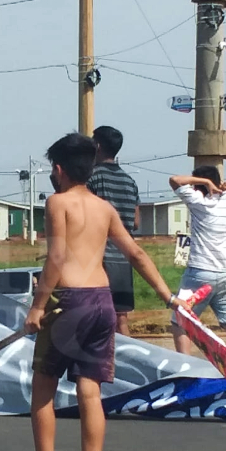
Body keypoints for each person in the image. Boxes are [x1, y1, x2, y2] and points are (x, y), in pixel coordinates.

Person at [19, 133, 189, 451]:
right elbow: (137, 255)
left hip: (68, 301)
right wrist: (168, 297)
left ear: (58, 169)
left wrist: (37, 306)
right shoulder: (104, 208)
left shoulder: (57, 202)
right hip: (101, 300)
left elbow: (57, 258)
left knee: (43, 386)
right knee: (90, 390)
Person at [168, 167, 226, 358]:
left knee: (180, 321)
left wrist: (205, 183)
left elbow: (175, 179)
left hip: (200, 273)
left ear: (198, 185)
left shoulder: (199, 201)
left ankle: (185, 367)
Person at [86, 125, 141, 336]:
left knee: (94, 318)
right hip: (124, 258)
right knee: (121, 319)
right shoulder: (130, 182)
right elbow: (135, 222)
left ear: (97, 146)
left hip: (98, 258)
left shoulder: (92, 177)